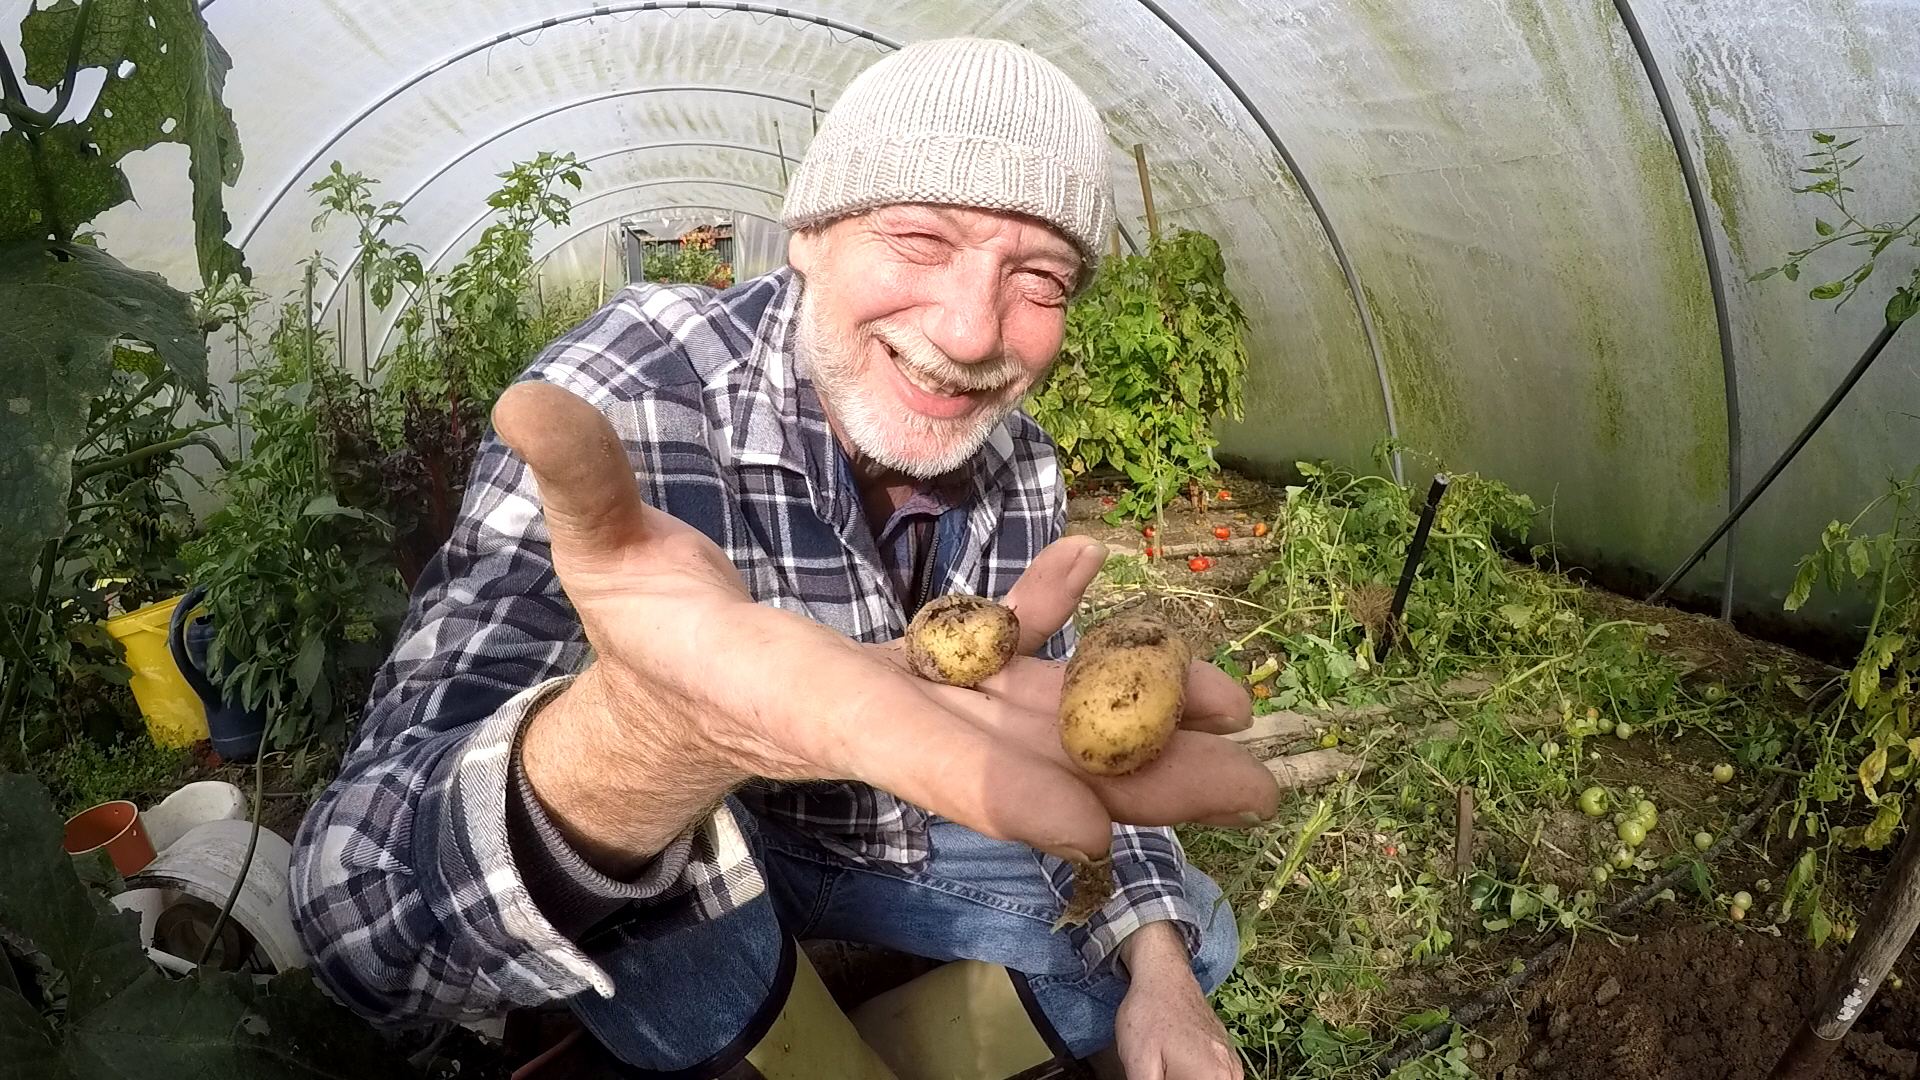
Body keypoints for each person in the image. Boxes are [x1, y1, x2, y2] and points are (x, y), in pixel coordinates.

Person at [290, 37, 1280, 1080]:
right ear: (809, 233)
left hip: (878, 833)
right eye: (921, 237)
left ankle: (847, 1054)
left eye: (1040, 279)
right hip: (692, 858)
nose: (972, 328)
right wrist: (653, 743)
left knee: (1185, 940)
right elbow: (353, 913)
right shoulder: (629, 393)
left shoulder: (1017, 461)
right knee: (690, 956)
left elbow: (1064, 737)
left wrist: (1158, 967)